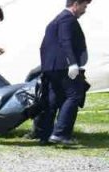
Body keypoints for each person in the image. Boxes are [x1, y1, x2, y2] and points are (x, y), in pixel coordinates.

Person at [33, 0, 92, 146]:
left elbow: (43, 46)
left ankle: (45, 134)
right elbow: (65, 41)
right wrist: (72, 63)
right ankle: (60, 134)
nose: (84, 10)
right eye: (84, 6)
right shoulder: (67, 19)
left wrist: (46, 66)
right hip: (63, 66)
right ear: (76, 4)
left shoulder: (56, 20)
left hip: (52, 67)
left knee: (55, 99)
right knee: (74, 95)